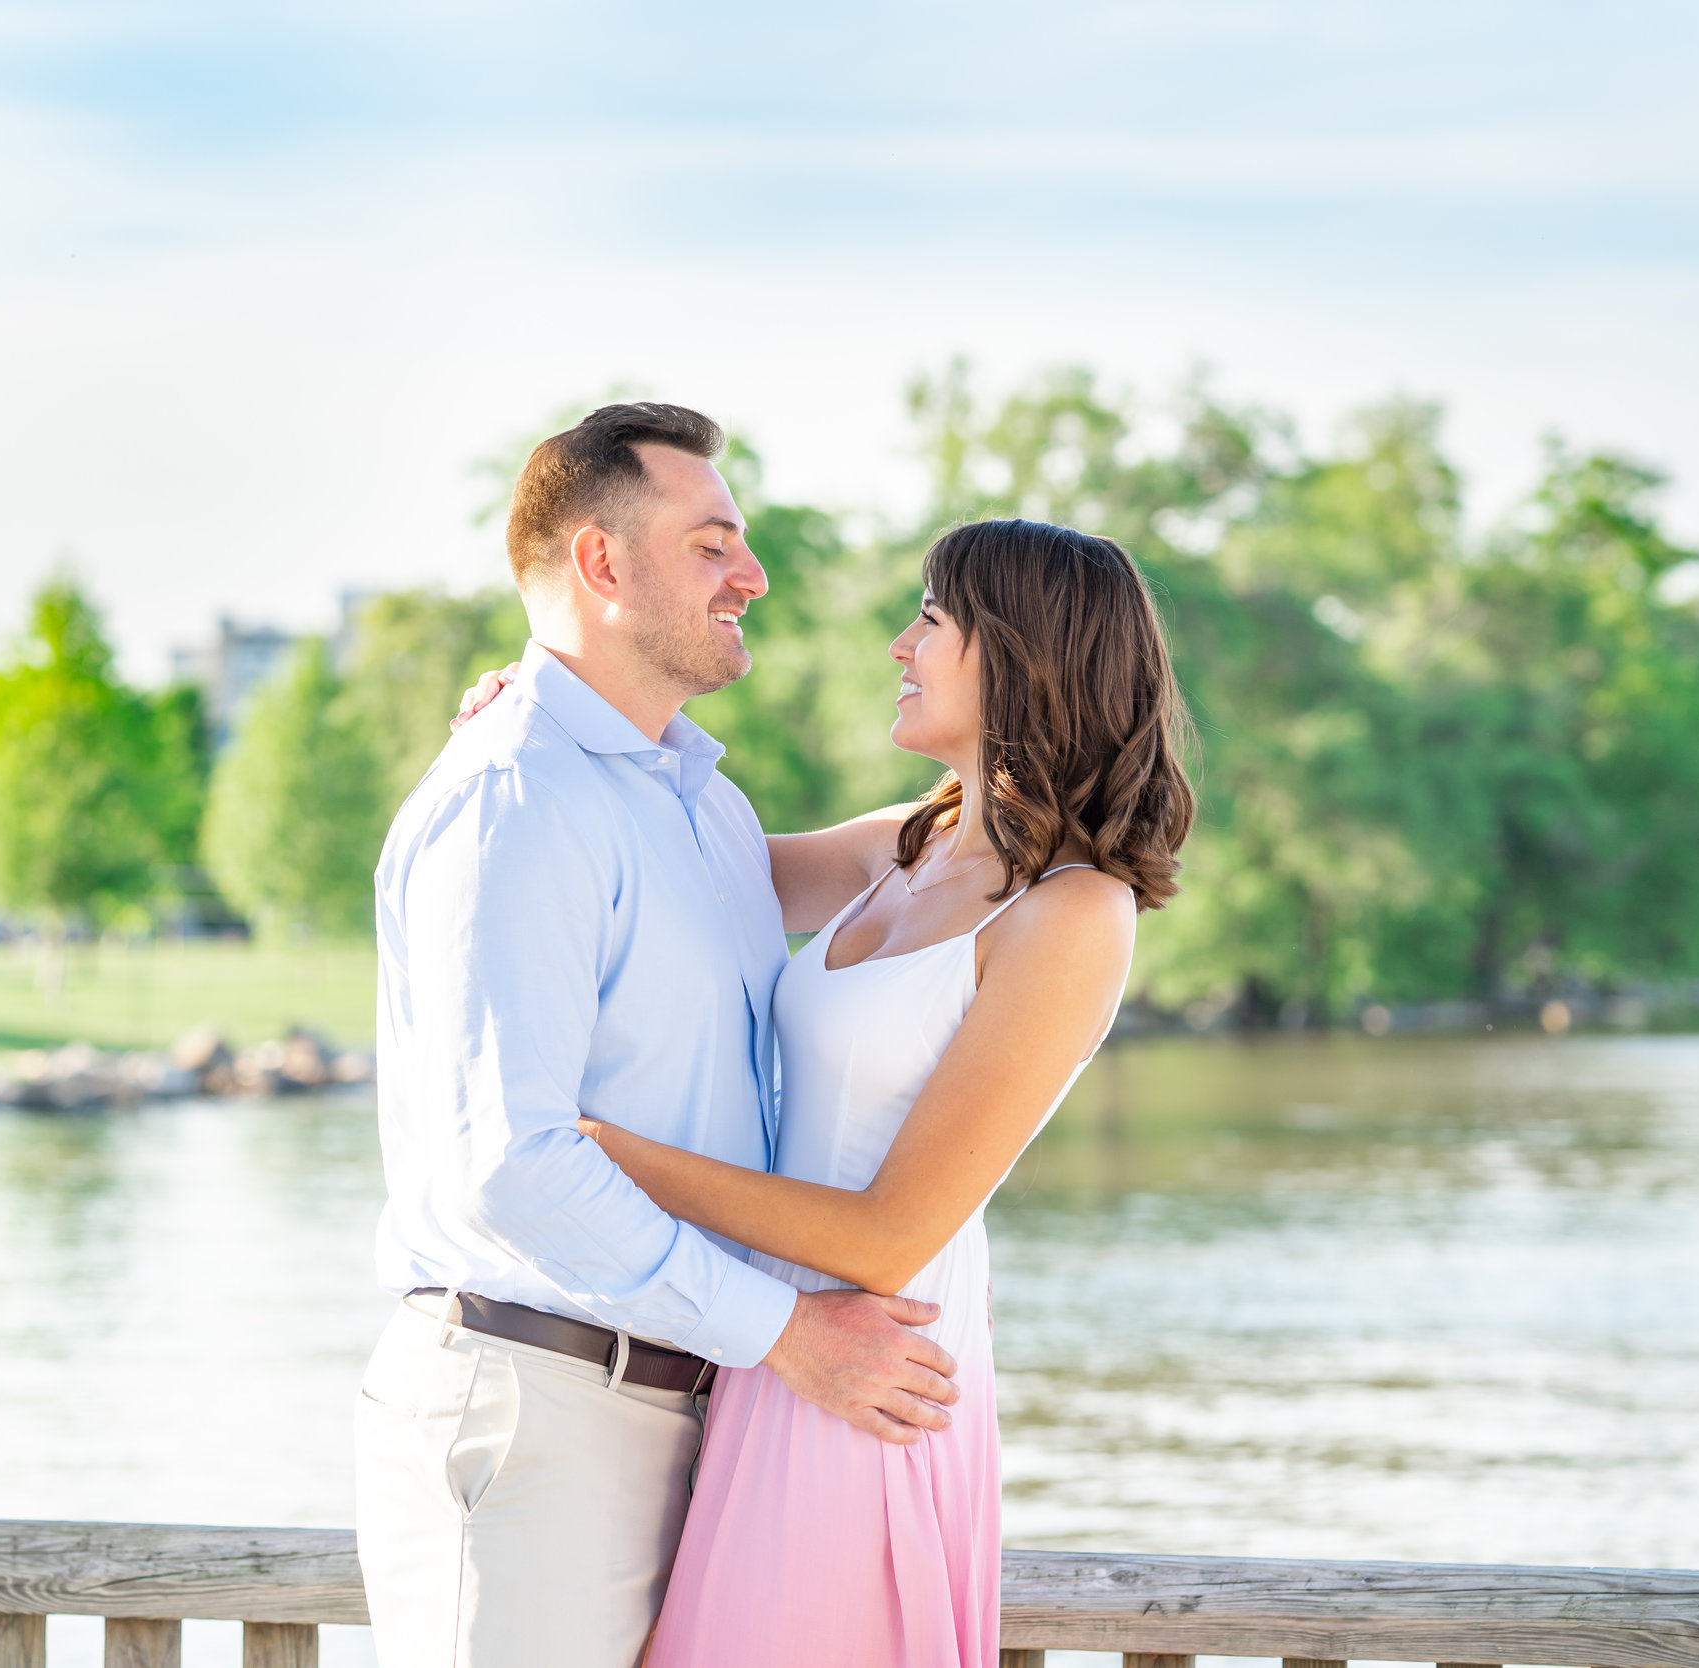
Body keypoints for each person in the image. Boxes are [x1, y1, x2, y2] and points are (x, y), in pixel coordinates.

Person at [455, 515, 1196, 1665]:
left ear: (1021, 654)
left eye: (934, 621)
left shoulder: (1070, 915)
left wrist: (594, 1149)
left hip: (868, 1374)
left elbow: (890, 1236)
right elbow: (650, 853)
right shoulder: (908, 845)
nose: (901, 645)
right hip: (767, 1352)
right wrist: (546, 720)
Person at [355, 403, 964, 1668]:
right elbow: (511, 1164)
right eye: (710, 545)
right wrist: (790, 1338)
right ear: (599, 563)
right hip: (539, 1410)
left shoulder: (702, 807)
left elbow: (944, 843)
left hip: (686, 1409)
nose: (751, 575)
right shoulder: (515, 799)